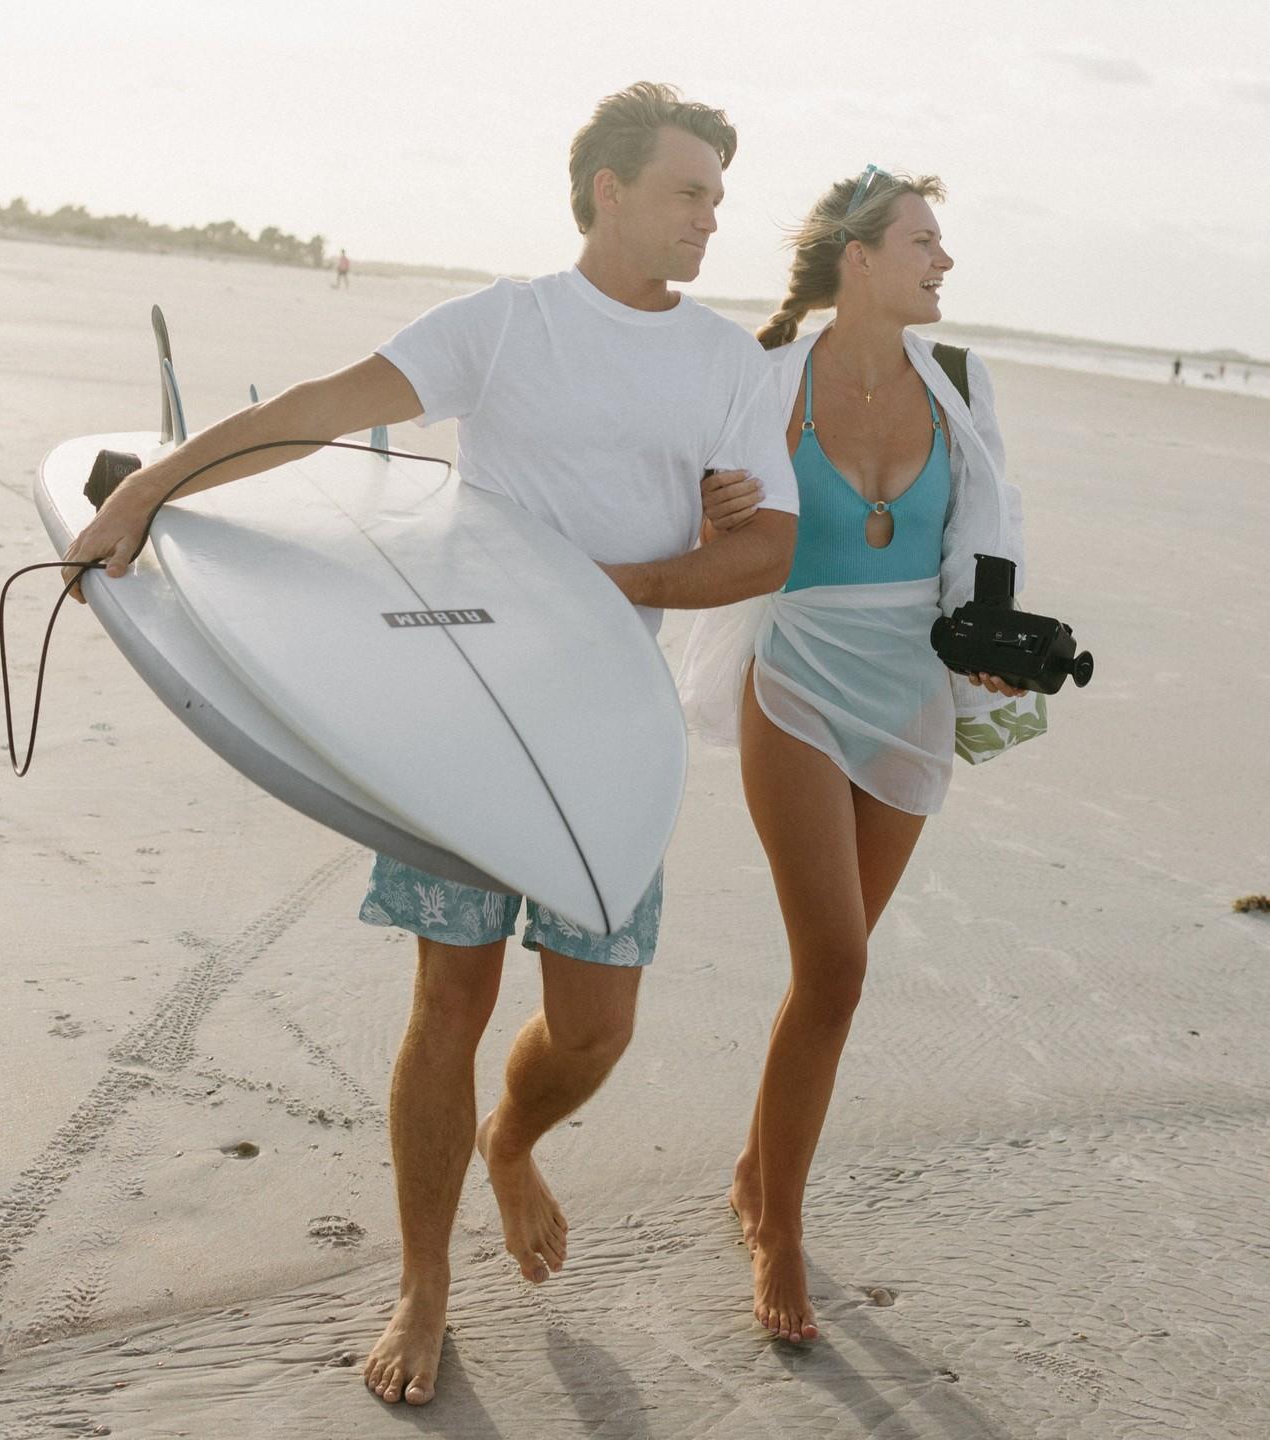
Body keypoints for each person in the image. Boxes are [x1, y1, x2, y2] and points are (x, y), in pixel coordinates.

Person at [63, 82, 798, 1406]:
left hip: (604, 732)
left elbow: (769, 545)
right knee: (448, 1003)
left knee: (596, 1026)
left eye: (718, 196)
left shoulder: (727, 365)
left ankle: (513, 1146)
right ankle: (424, 1281)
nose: (710, 218)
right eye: (690, 191)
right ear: (608, 191)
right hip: (457, 709)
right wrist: (153, 490)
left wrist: (609, 583)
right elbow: (317, 412)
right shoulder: (506, 325)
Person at [680, 167, 1027, 1344]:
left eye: (944, 241)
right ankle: (777, 1232)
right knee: (835, 966)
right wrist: (714, 512)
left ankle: (751, 1171)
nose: (943, 260)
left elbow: (984, 545)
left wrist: (992, 648)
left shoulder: (964, 383)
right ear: (857, 256)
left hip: (911, 691)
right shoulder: (767, 380)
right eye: (923, 239)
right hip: (800, 673)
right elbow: (703, 523)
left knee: (833, 975)